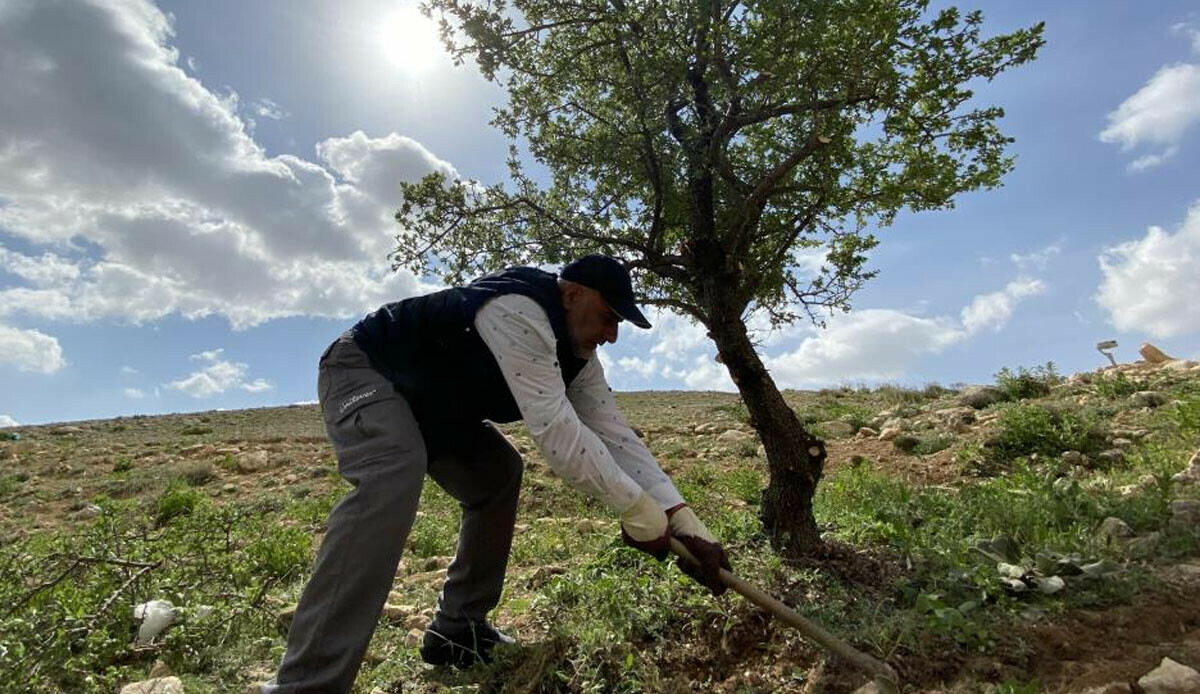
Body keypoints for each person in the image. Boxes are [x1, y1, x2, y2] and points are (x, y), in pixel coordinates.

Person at [260, 255, 730, 694]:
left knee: (497, 473)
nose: (612, 334)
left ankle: (458, 633)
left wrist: (682, 517)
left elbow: (613, 435)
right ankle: (307, 681)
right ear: (571, 295)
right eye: (608, 315)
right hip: (366, 371)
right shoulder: (520, 310)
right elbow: (557, 431)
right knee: (392, 471)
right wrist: (634, 509)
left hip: (433, 406)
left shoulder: (579, 360)